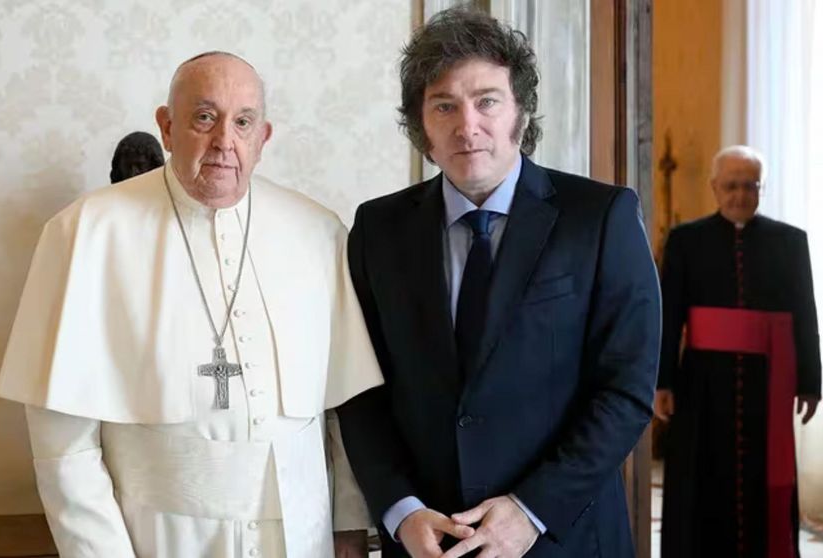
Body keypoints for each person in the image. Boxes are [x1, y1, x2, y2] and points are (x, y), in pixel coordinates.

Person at [0, 51, 382, 558]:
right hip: (157, 537)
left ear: (263, 138)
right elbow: (62, 443)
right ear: (167, 125)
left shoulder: (318, 231)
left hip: (299, 536)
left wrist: (348, 525)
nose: (225, 141)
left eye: (243, 122)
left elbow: (343, 407)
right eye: (205, 117)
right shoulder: (85, 233)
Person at [336, 7, 661, 558]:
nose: (468, 126)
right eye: (445, 105)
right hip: (426, 541)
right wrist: (400, 510)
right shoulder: (376, 228)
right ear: (421, 126)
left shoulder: (600, 217)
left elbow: (625, 392)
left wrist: (532, 509)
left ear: (520, 112)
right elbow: (360, 390)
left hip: (565, 536)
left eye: (487, 100)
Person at [656, 145, 821, 558]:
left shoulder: (790, 241)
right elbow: (668, 315)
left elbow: (805, 312)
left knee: (764, 478)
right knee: (702, 476)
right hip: (702, 384)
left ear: (762, 188)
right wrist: (662, 381)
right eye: (731, 185)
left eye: (750, 185)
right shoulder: (685, 241)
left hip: (768, 384)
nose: (740, 195)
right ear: (715, 187)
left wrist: (811, 381)